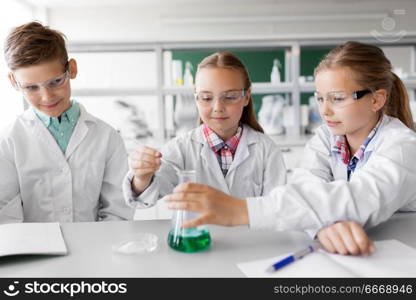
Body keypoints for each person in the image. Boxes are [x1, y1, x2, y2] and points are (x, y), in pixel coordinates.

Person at [165, 41, 416, 255]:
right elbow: (304, 188)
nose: (324, 110)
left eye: (337, 98)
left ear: (377, 99)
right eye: (320, 98)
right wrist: (321, 227)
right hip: (352, 254)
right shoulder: (327, 137)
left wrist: (241, 210)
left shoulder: (403, 146)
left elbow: (361, 198)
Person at [0, 21, 134, 223]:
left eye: (55, 82)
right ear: (13, 82)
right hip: (32, 251)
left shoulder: (107, 137)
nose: (46, 97)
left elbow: (117, 212)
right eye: (31, 88)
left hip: (95, 249)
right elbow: (6, 217)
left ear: (71, 69)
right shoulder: (8, 141)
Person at [123, 52, 286, 214]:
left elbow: (278, 208)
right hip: (198, 238)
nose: (218, 107)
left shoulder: (266, 150)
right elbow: (148, 192)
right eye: (206, 98)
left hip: (252, 239)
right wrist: (142, 176)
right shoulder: (182, 148)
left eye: (229, 97)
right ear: (196, 98)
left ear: (246, 97)